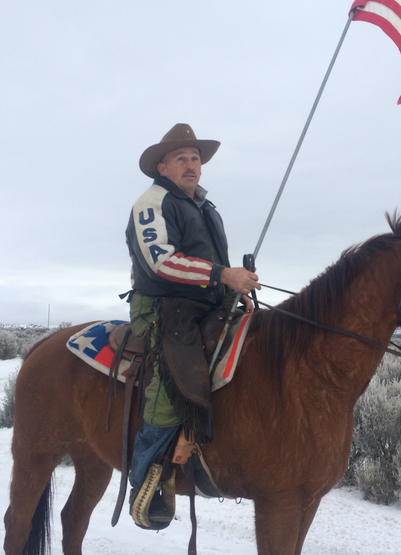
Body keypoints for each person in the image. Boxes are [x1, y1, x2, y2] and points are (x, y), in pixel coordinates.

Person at [125, 123, 259, 528]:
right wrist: (223, 275)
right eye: (181, 158)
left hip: (207, 305)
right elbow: (162, 261)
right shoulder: (151, 203)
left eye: (195, 158)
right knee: (173, 373)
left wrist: (234, 291)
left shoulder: (206, 208)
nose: (190, 165)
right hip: (163, 307)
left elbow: (215, 266)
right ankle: (150, 475)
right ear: (162, 167)